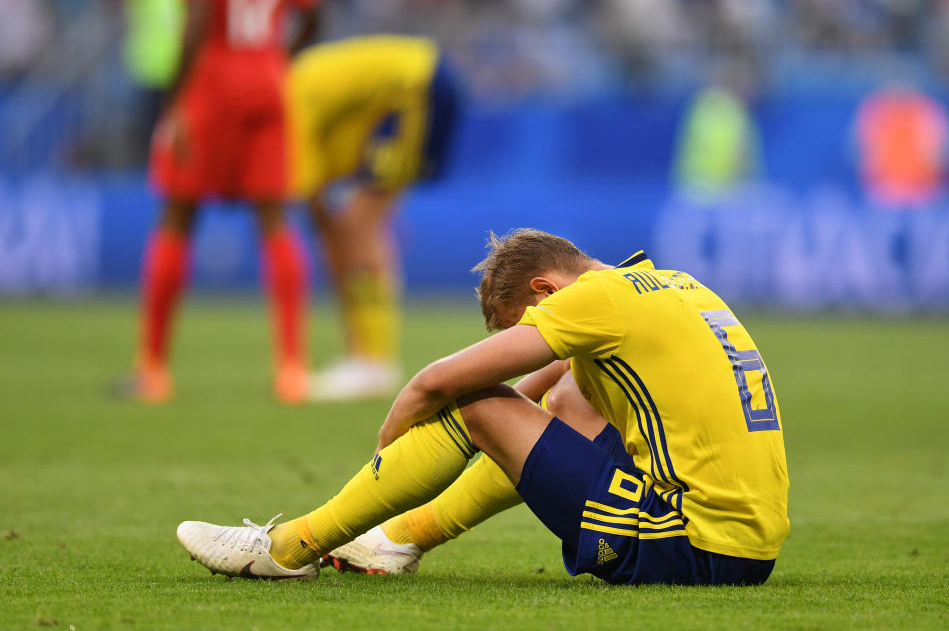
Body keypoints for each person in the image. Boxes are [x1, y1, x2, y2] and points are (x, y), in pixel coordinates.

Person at [177, 229, 790, 586]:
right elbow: (534, 404)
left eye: (518, 327)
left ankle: (286, 550)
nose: (526, 337)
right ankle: (395, 540)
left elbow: (437, 384)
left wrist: (393, 440)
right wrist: (498, 432)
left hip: (691, 544)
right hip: (750, 544)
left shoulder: (592, 301)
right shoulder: (670, 285)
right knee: (569, 396)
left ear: (545, 291)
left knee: (474, 401)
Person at [126, 0, 323, 403]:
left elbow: (199, 11)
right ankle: (292, 368)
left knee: (177, 217)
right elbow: (314, 8)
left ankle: (153, 368)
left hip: (211, 86)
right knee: (275, 222)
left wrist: (176, 100)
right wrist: (281, 58)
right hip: (267, 81)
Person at [287, 35, 463, 401]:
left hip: (418, 88)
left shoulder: (289, 103)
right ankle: (366, 356)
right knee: (357, 228)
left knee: (358, 227)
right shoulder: (296, 86)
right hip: (413, 86)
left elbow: (316, 205)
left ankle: (372, 361)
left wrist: (340, 244)